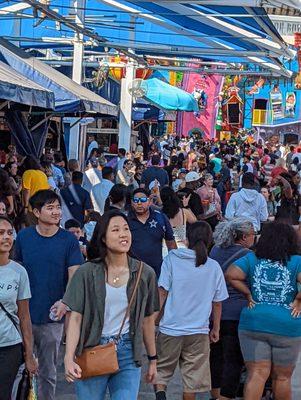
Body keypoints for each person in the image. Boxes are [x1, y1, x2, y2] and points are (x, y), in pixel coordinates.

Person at [63, 210, 159, 400]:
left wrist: (153, 360)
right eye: (115, 230)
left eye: (126, 229)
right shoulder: (86, 272)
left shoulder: (144, 273)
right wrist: (68, 356)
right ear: (104, 238)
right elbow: (75, 317)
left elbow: (148, 321)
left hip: (128, 352)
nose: (123, 234)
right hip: (91, 348)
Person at [14, 190, 83, 400]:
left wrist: (65, 301)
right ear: (36, 212)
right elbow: (16, 271)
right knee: (19, 370)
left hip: (53, 319)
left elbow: (75, 277)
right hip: (22, 317)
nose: (56, 212)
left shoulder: (68, 241)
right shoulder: (24, 237)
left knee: (48, 372)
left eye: (57, 207)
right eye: (50, 208)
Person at [226, 222, 301, 400]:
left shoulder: (252, 258)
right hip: (287, 323)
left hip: (254, 322)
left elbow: (231, 274)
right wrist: (298, 300)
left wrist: (248, 293)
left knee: (257, 374)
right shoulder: (296, 261)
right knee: (282, 377)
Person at [155, 221, 228, 400]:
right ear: (210, 240)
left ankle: (160, 394)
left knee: (162, 370)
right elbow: (217, 303)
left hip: (170, 328)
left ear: (187, 239)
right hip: (198, 331)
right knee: (192, 380)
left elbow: (162, 292)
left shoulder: (172, 259)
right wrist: (216, 328)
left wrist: (153, 320)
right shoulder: (213, 267)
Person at [209, 218, 255, 400]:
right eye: (253, 234)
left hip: (214, 313)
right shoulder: (249, 256)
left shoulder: (215, 250)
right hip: (237, 314)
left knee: (216, 356)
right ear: (244, 237)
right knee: (234, 359)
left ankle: (215, 393)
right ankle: (226, 396)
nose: (254, 237)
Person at [0, 216, 38, 400]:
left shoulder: (18, 271)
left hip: (10, 345)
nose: (6, 237)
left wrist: (29, 355)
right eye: (0, 233)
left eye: (9, 233)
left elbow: (24, 316)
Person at [127, 188, 177, 277]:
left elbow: (171, 244)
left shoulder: (160, 218)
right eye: (135, 200)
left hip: (157, 272)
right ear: (131, 202)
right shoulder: (125, 221)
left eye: (143, 200)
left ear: (150, 201)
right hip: (132, 272)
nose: (139, 203)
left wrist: (173, 267)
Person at [160, 186, 197, 251]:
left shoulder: (160, 214)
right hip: (182, 247)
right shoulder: (184, 212)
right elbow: (195, 222)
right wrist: (186, 206)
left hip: (166, 248)